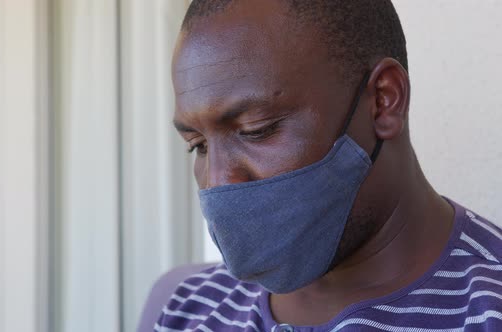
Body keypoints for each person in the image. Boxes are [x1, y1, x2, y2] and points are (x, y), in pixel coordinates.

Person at [154, 0, 502, 331]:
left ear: (383, 101)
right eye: (197, 146)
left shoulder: (489, 308)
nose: (218, 180)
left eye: (256, 130)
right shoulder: (189, 309)